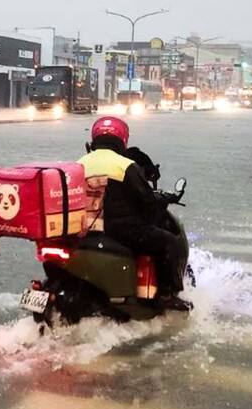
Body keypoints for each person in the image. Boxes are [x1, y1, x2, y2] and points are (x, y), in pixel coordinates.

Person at [77, 115, 188, 309]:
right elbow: (147, 202)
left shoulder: (79, 164)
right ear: (122, 141)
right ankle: (167, 294)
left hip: (84, 229)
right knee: (170, 243)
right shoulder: (125, 166)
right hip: (122, 231)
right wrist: (164, 199)